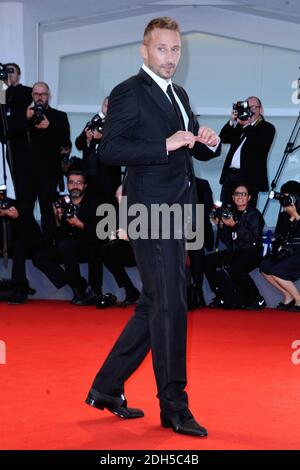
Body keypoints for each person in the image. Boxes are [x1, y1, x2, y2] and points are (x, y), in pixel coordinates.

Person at [85, 17, 221, 437]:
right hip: (149, 210)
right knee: (171, 304)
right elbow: (110, 150)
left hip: (177, 209)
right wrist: (164, 144)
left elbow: (188, 148)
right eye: (162, 49)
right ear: (144, 51)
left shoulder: (177, 93)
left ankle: (107, 387)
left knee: (156, 301)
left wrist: (205, 142)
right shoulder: (129, 92)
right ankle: (174, 406)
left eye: (175, 49)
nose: (170, 57)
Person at [52, 170, 117, 308]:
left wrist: (79, 224)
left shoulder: (94, 202)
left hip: (92, 240)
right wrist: (57, 218)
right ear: (67, 185)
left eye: (79, 183)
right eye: (71, 183)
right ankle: (78, 287)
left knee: (94, 246)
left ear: (85, 186)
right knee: (62, 246)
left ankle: (94, 290)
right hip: (71, 244)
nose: (75, 186)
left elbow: (101, 231)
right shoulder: (63, 202)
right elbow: (58, 233)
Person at [204, 183, 265, 309]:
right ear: (233, 197)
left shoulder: (254, 215)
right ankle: (221, 296)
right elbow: (227, 240)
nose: (240, 197)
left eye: (244, 194)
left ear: (249, 198)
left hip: (252, 251)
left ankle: (257, 299)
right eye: (237, 194)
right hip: (235, 251)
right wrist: (221, 226)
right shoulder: (230, 213)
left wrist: (234, 226)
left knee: (235, 268)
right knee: (207, 261)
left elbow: (252, 239)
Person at [25, 81, 71, 245]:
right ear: (32, 95)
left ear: (49, 96)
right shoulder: (25, 116)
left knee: (48, 212)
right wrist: (24, 119)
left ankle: (48, 247)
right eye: (36, 94)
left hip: (49, 173)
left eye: (43, 94)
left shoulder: (59, 116)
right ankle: (34, 243)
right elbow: (10, 137)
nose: (39, 98)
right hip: (26, 174)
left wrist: (49, 127)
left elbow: (66, 143)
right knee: (24, 212)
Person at [219, 96, 275, 207]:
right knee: (225, 210)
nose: (251, 110)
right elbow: (223, 138)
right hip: (230, 176)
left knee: (246, 215)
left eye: (255, 107)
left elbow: (259, 147)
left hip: (249, 178)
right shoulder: (241, 126)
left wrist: (246, 124)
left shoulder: (267, 128)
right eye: (248, 107)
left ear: (261, 109)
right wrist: (232, 121)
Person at [260, 180, 300, 311]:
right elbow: (280, 235)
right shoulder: (283, 215)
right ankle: (288, 296)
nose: (285, 199)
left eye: (288, 196)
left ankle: (299, 300)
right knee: (265, 267)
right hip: (288, 251)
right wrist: (290, 218)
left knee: (278, 272)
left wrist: (296, 216)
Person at [75, 97, 121, 205]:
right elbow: (78, 144)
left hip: (109, 176)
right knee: (90, 206)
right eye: (106, 106)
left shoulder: (119, 125)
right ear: (102, 107)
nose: (108, 109)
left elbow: (120, 147)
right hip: (90, 174)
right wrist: (87, 139)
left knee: (107, 207)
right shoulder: (93, 122)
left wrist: (103, 137)